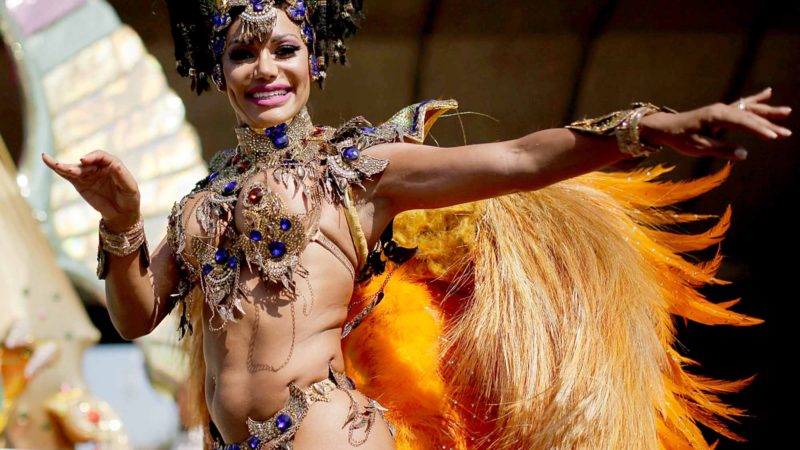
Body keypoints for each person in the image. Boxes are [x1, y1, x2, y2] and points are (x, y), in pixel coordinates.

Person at [41, 1, 792, 449]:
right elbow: (135, 317)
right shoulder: (200, 206)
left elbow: (522, 157)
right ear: (220, 68)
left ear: (313, 61)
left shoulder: (357, 170)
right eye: (243, 52)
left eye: (284, 48)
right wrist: (123, 222)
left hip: (327, 436)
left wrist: (657, 125)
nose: (264, 68)